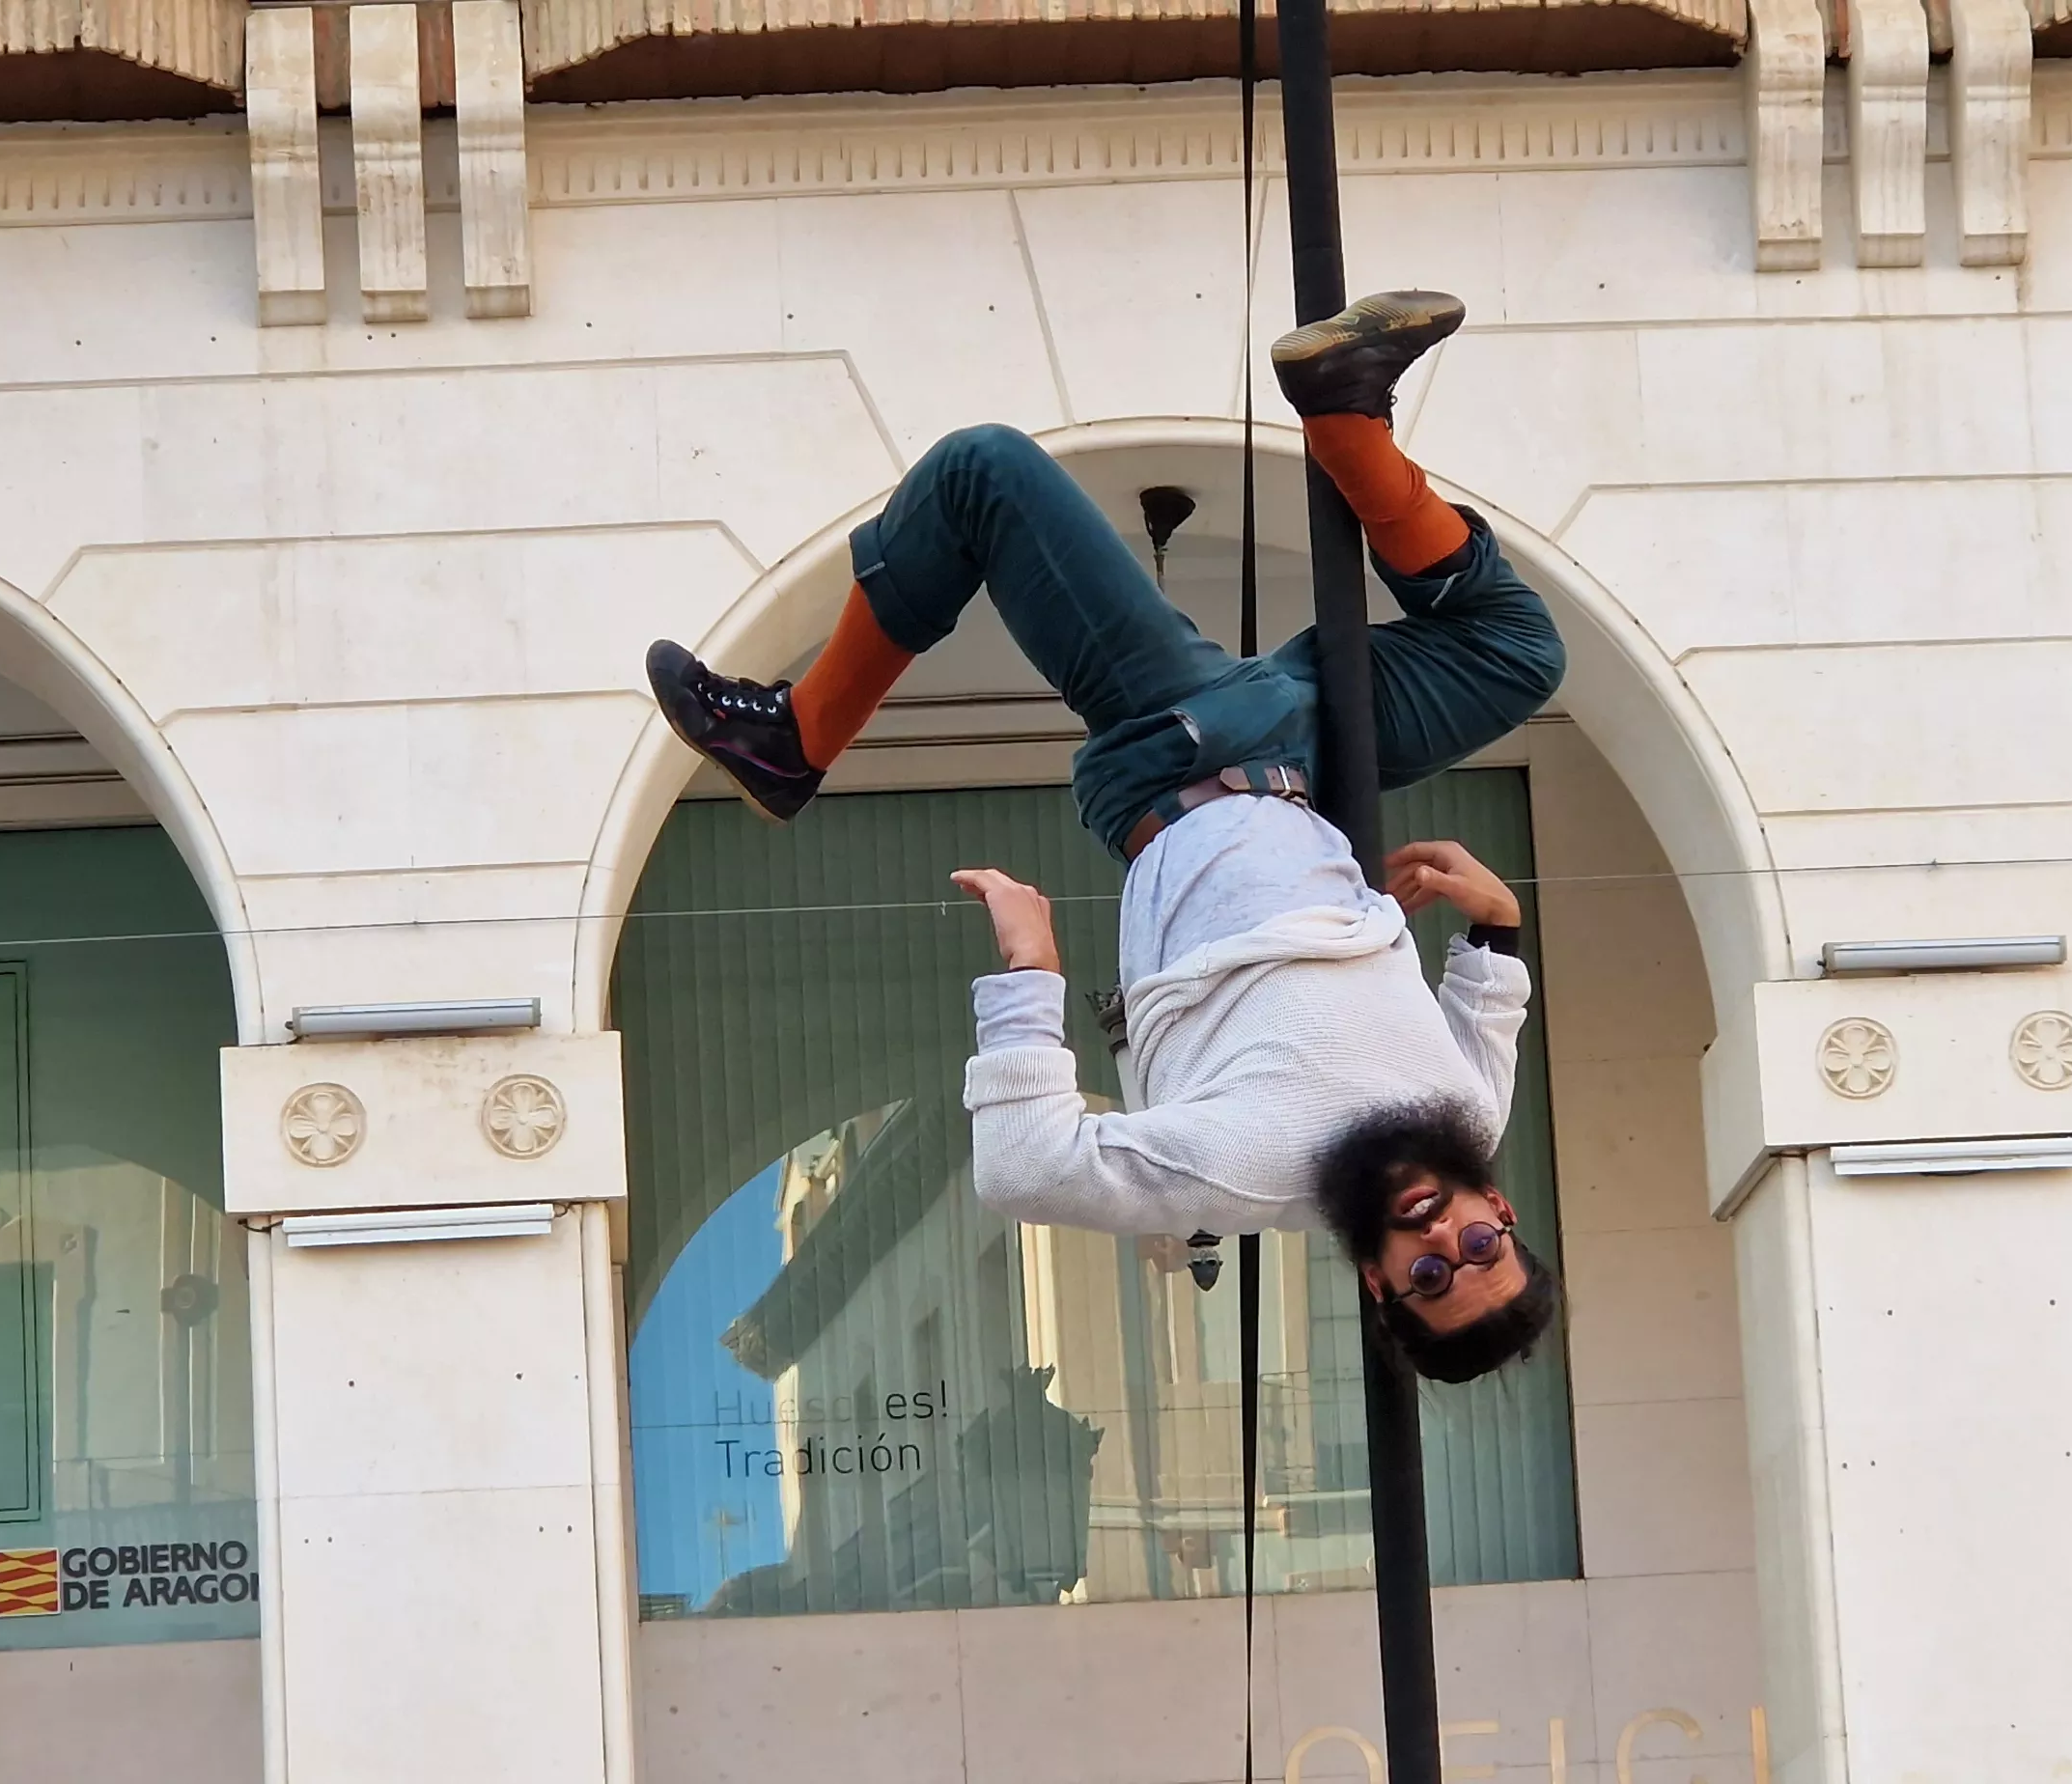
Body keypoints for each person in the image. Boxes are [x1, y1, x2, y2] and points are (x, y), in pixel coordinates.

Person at [645, 292, 1566, 1383]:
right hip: (1306, 762)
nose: (1439, 1239)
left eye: (1427, 1278)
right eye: (1477, 1248)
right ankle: (1343, 413)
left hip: (1178, 760)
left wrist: (1029, 977)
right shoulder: (1469, 1114)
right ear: (1500, 1212)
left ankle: (798, 740)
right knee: (1518, 652)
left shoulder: (1236, 1177)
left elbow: (1027, 1170)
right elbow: (1488, 1006)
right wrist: (1496, 923)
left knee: (980, 476)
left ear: (1377, 1282)